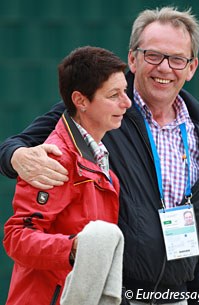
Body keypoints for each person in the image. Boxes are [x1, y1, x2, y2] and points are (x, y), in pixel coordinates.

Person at [0, 6, 199, 305]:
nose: (164, 68)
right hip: (115, 293)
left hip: (176, 295)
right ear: (133, 58)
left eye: (177, 59)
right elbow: (18, 144)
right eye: (153, 55)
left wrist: (198, 294)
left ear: (191, 67)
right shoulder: (103, 107)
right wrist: (16, 156)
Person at [3, 46, 131, 305]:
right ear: (81, 100)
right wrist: (74, 248)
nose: (126, 103)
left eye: (125, 92)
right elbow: (17, 236)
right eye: (114, 95)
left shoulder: (97, 153)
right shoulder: (55, 158)